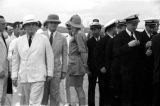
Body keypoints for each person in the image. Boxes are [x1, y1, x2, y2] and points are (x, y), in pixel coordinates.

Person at [11, 15, 54, 106]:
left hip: (39, 76)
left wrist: (50, 72)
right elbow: (15, 60)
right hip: (24, 76)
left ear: (36, 26)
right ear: (24, 27)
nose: (31, 26)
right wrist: (14, 76)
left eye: (33, 24)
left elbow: (50, 56)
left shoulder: (44, 39)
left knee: (34, 102)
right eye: (28, 24)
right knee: (27, 102)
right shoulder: (18, 41)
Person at [113, 14, 146, 106]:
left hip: (138, 72)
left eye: (136, 24)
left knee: (138, 95)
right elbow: (116, 52)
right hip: (126, 72)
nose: (135, 27)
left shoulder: (139, 34)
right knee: (127, 96)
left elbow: (141, 51)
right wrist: (128, 45)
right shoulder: (119, 37)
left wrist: (145, 50)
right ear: (127, 24)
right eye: (133, 25)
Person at [41, 14, 68, 106]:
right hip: (42, 71)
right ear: (47, 23)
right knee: (42, 96)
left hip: (56, 71)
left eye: (56, 23)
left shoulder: (63, 38)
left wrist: (64, 70)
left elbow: (65, 55)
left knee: (55, 96)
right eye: (51, 22)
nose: (53, 24)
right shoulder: (40, 36)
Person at [87, 19, 112, 106]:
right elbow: (88, 57)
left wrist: (105, 66)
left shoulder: (105, 40)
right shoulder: (89, 42)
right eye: (92, 30)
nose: (94, 31)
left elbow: (106, 55)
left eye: (96, 29)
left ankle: (102, 104)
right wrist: (88, 69)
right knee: (91, 88)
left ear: (100, 29)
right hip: (92, 68)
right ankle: (91, 104)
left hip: (102, 68)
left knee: (102, 87)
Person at [67, 14, 87, 106]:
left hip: (76, 64)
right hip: (75, 63)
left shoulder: (78, 35)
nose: (70, 26)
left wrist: (85, 64)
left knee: (78, 87)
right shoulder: (79, 34)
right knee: (77, 87)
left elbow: (83, 51)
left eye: (71, 24)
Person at [141, 19, 159, 106]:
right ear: (146, 26)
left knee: (153, 91)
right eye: (151, 27)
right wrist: (145, 48)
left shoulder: (156, 36)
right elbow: (136, 52)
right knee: (145, 90)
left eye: (154, 27)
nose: (153, 29)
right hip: (143, 68)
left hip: (154, 68)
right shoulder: (140, 35)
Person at [0, 15, 9, 106]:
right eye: (3, 24)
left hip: (4, 71)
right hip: (0, 71)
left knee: (3, 94)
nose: (5, 25)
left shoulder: (3, 35)